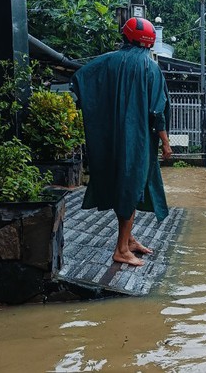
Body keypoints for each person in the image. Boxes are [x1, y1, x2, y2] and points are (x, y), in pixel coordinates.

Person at [71, 17, 172, 266]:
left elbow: (81, 79)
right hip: (136, 140)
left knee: (125, 185)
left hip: (110, 138)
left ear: (126, 37)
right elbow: (157, 112)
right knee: (131, 186)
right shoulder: (150, 68)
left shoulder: (107, 61)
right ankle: (121, 250)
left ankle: (128, 240)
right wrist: (166, 143)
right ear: (149, 43)